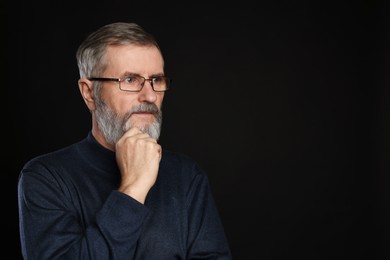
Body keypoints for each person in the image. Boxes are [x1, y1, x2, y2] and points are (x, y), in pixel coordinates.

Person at [17, 22, 232, 259]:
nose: (150, 95)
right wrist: (133, 188)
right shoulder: (46, 178)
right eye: (130, 80)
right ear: (89, 93)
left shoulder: (187, 176)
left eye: (157, 80)